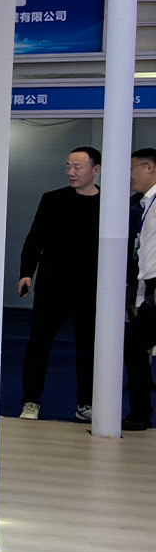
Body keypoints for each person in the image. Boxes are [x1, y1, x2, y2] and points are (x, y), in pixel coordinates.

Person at [17, 146, 100, 422]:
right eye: (68, 166)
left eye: (77, 167)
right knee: (38, 344)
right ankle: (30, 400)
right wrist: (26, 273)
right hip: (53, 285)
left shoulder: (109, 203)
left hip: (91, 288)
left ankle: (86, 403)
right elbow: (35, 238)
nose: (71, 172)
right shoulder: (52, 199)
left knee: (89, 347)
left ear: (95, 170)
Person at [122, 148, 156, 431]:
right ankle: (140, 412)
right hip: (148, 286)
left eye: (132, 168)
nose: (129, 175)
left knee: (134, 344)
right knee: (134, 344)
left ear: (149, 168)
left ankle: (141, 413)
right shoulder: (145, 203)